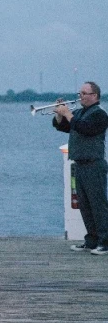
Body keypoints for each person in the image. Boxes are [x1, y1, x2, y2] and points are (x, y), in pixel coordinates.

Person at [53, 81, 108, 255]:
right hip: (80, 165)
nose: (81, 96)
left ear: (95, 96)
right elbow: (62, 127)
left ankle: (105, 242)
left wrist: (68, 114)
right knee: (84, 205)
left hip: (93, 165)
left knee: (98, 205)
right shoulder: (79, 113)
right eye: (80, 93)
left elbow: (86, 129)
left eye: (84, 93)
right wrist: (59, 114)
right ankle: (91, 241)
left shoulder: (99, 114)